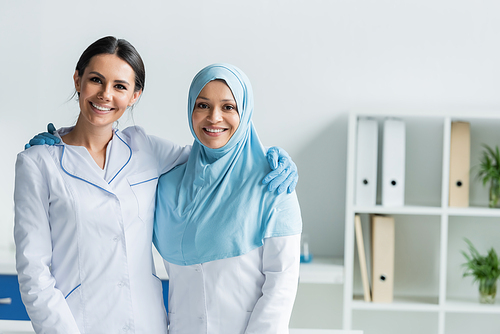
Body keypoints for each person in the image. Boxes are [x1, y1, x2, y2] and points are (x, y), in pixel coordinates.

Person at [15, 37, 297, 334]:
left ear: (135, 95)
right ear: (78, 80)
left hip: (148, 325)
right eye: (96, 80)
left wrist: (268, 160)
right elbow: (34, 274)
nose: (105, 95)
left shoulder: (145, 149)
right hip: (81, 324)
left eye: (120, 86)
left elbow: (216, 157)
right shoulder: (38, 164)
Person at [153, 63, 303, 334]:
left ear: (244, 112)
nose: (214, 117)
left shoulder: (272, 182)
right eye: (202, 105)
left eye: (228, 107)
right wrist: (61, 144)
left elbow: (281, 286)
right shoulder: (167, 183)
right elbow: (117, 153)